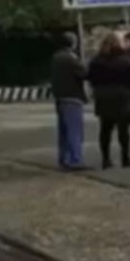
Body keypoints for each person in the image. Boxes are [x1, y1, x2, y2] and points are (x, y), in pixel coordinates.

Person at [87, 31, 130, 169]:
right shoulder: (124, 59)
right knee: (123, 130)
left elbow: (90, 77)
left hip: (103, 96)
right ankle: (125, 158)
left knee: (105, 129)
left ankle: (106, 159)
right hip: (122, 96)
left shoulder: (97, 60)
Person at [51, 33, 88, 170]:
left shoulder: (56, 57)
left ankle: (64, 159)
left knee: (64, 132)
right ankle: (75, 160)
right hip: (72, 97)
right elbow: (84, 73)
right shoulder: (70, 58)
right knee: (74, 130)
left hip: (60, 97)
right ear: (72, 43)